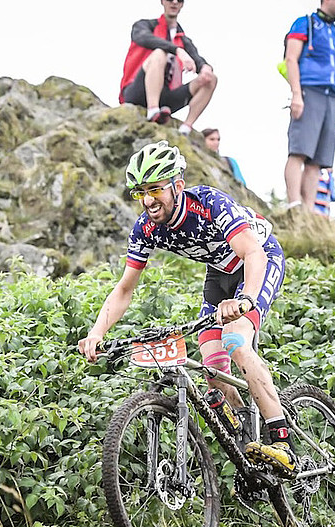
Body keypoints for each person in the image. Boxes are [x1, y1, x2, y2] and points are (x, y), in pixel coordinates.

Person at [78, 141, 297, 476]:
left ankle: (282, 441)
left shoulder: (209, 203)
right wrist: (96, 333)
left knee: (236, 341)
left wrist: (247, 300)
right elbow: (124, 288)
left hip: (258, 260)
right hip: (219, 275)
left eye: (155, 189)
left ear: (177, 186)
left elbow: (253, 254)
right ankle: (246, 448)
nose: (149, 200)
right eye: (141, 192)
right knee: (212, 369)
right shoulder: (146, 228)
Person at [282, 0, 335, 213]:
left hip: (331, 97)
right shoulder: (305, 24)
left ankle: (309, 210)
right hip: (309, 91)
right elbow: (291, 59)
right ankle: (294, 204)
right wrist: (296, 94)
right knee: (299, 151)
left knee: (318, 161)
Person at [118, 0, 218, 136]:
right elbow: (143, 38)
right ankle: (152, 111)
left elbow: (197, 59)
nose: (174, 2)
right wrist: (177, 50)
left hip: (166, 97)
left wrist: (205, 68)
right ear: (162, 1)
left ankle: (186, 128)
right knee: (160, 53)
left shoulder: (183, 39)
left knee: (210, 78)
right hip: (137, 91)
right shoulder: (144, 26)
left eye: (179, 0)